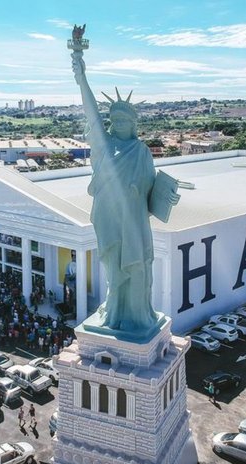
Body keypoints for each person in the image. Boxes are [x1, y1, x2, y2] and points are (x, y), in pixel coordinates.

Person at [71, 26, 180, 333]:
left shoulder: (142, 151)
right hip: (109, 216)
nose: (118, 124)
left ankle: (137, 316)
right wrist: (81, 75)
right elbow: (91, 112)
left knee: (140, 269)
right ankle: (115, 312)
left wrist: (165, 197)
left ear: (133, 123)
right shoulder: (104, 145)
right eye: (114, 120)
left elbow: (151, 193)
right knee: (114, 270)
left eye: (124, 120)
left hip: (133, 220)